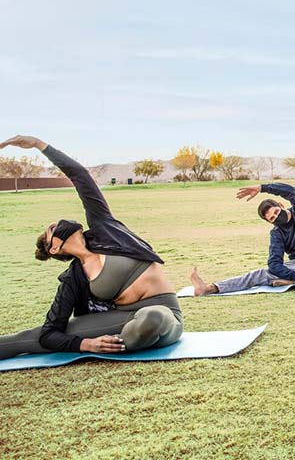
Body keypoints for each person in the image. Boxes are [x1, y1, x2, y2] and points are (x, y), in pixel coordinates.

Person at [0, 135, 183, 360]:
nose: (59, 224)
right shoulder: (74, 276)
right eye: (52, 228)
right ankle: (119, 343)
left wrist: (39, 145)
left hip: (163, 313)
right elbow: (49, 332)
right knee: (28, 338)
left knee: (151, 319)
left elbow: (80, 176)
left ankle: (127, 341)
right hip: (120, 319)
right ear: (54, 248)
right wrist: (85, 344)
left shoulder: (104, 228)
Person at [189, 183, 295, 295]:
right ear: (269, 222)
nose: (277, 217)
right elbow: (274, 263)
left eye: (277, 212)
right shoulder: (276, 233)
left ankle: (291, 282)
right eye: (272, 218)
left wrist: (262, 188)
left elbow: (292, 192)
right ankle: (209, 288)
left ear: (281, 205)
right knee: (258, 274)